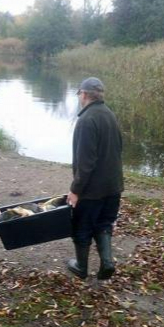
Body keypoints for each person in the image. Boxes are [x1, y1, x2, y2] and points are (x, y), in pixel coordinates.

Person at [67, 77, 123, 280]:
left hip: (93, 191)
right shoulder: (110, 114)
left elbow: (85, 163)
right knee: (104, 224)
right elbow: (119, 150)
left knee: (81, 227)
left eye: (79, 94)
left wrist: (75, 190)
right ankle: (106, 263)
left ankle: (81, 267)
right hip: (114, 186)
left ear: (83, 94)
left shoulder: (86, 120)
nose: (79, 97)